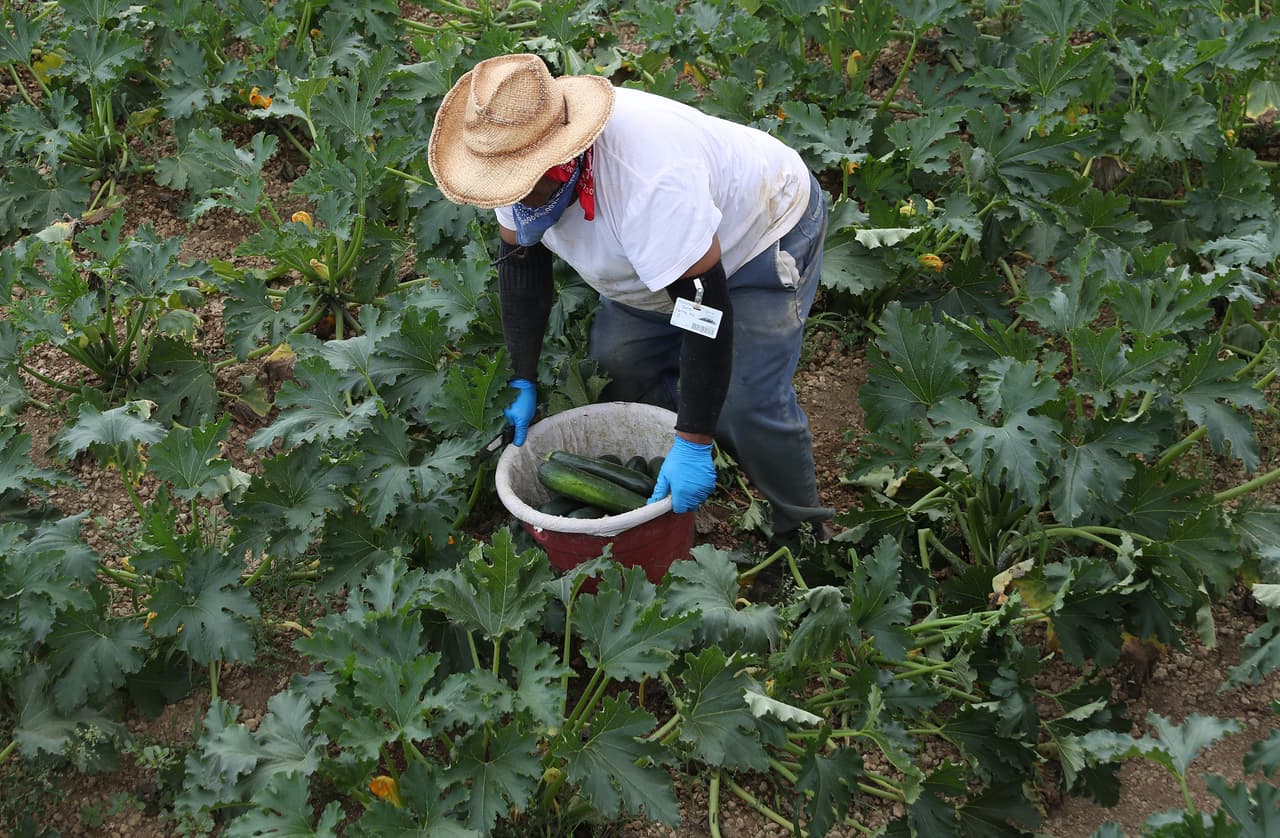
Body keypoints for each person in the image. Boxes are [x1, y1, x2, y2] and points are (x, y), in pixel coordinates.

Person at [427, 53, 832, 541]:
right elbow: (523, 268)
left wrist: (693, 440)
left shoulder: (647, 180)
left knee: (748, 402)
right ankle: (703, 427)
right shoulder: (509, 167)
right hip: (656, 266)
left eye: (518, 184)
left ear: (560, 163)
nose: (506, 198)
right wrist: (522, 376)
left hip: (759, 239)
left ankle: (803, 531)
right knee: (617, 365)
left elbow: (705, 309)